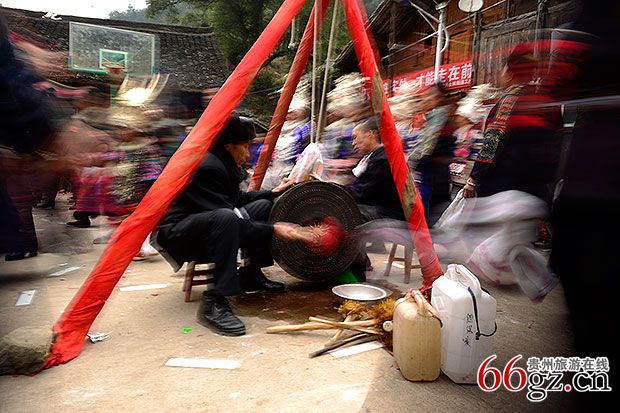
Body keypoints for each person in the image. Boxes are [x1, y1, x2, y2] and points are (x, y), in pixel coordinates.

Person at [156, 114, 310, 336]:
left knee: (264, 205)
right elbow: (230, 220)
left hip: (207, 223)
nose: (248, 154)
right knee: (226, 218)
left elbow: (234, 200)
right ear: (229, 146)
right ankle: (214, 302)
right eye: (245, 146)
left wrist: (271, 192)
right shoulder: (207, 167)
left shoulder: (220, 161)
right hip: (179, 234)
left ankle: (250, 274)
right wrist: (274, 229)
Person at [408, 83, 457, 222]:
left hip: (434, 174)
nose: (425, 99)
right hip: (434, 173)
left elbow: (426, 147)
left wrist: (410, 161)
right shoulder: (435, 116)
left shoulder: (439, 115)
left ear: (438, 98)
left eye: (429, 96)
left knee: (432, 213)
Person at [348, 118, 404, 222]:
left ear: (370, 134)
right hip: (375, 206)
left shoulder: (383, 160)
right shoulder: (371, 158)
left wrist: (337, 191)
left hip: (389, 212)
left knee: (344, 212)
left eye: (355, 138)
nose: (353, 143)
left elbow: (364, 194)